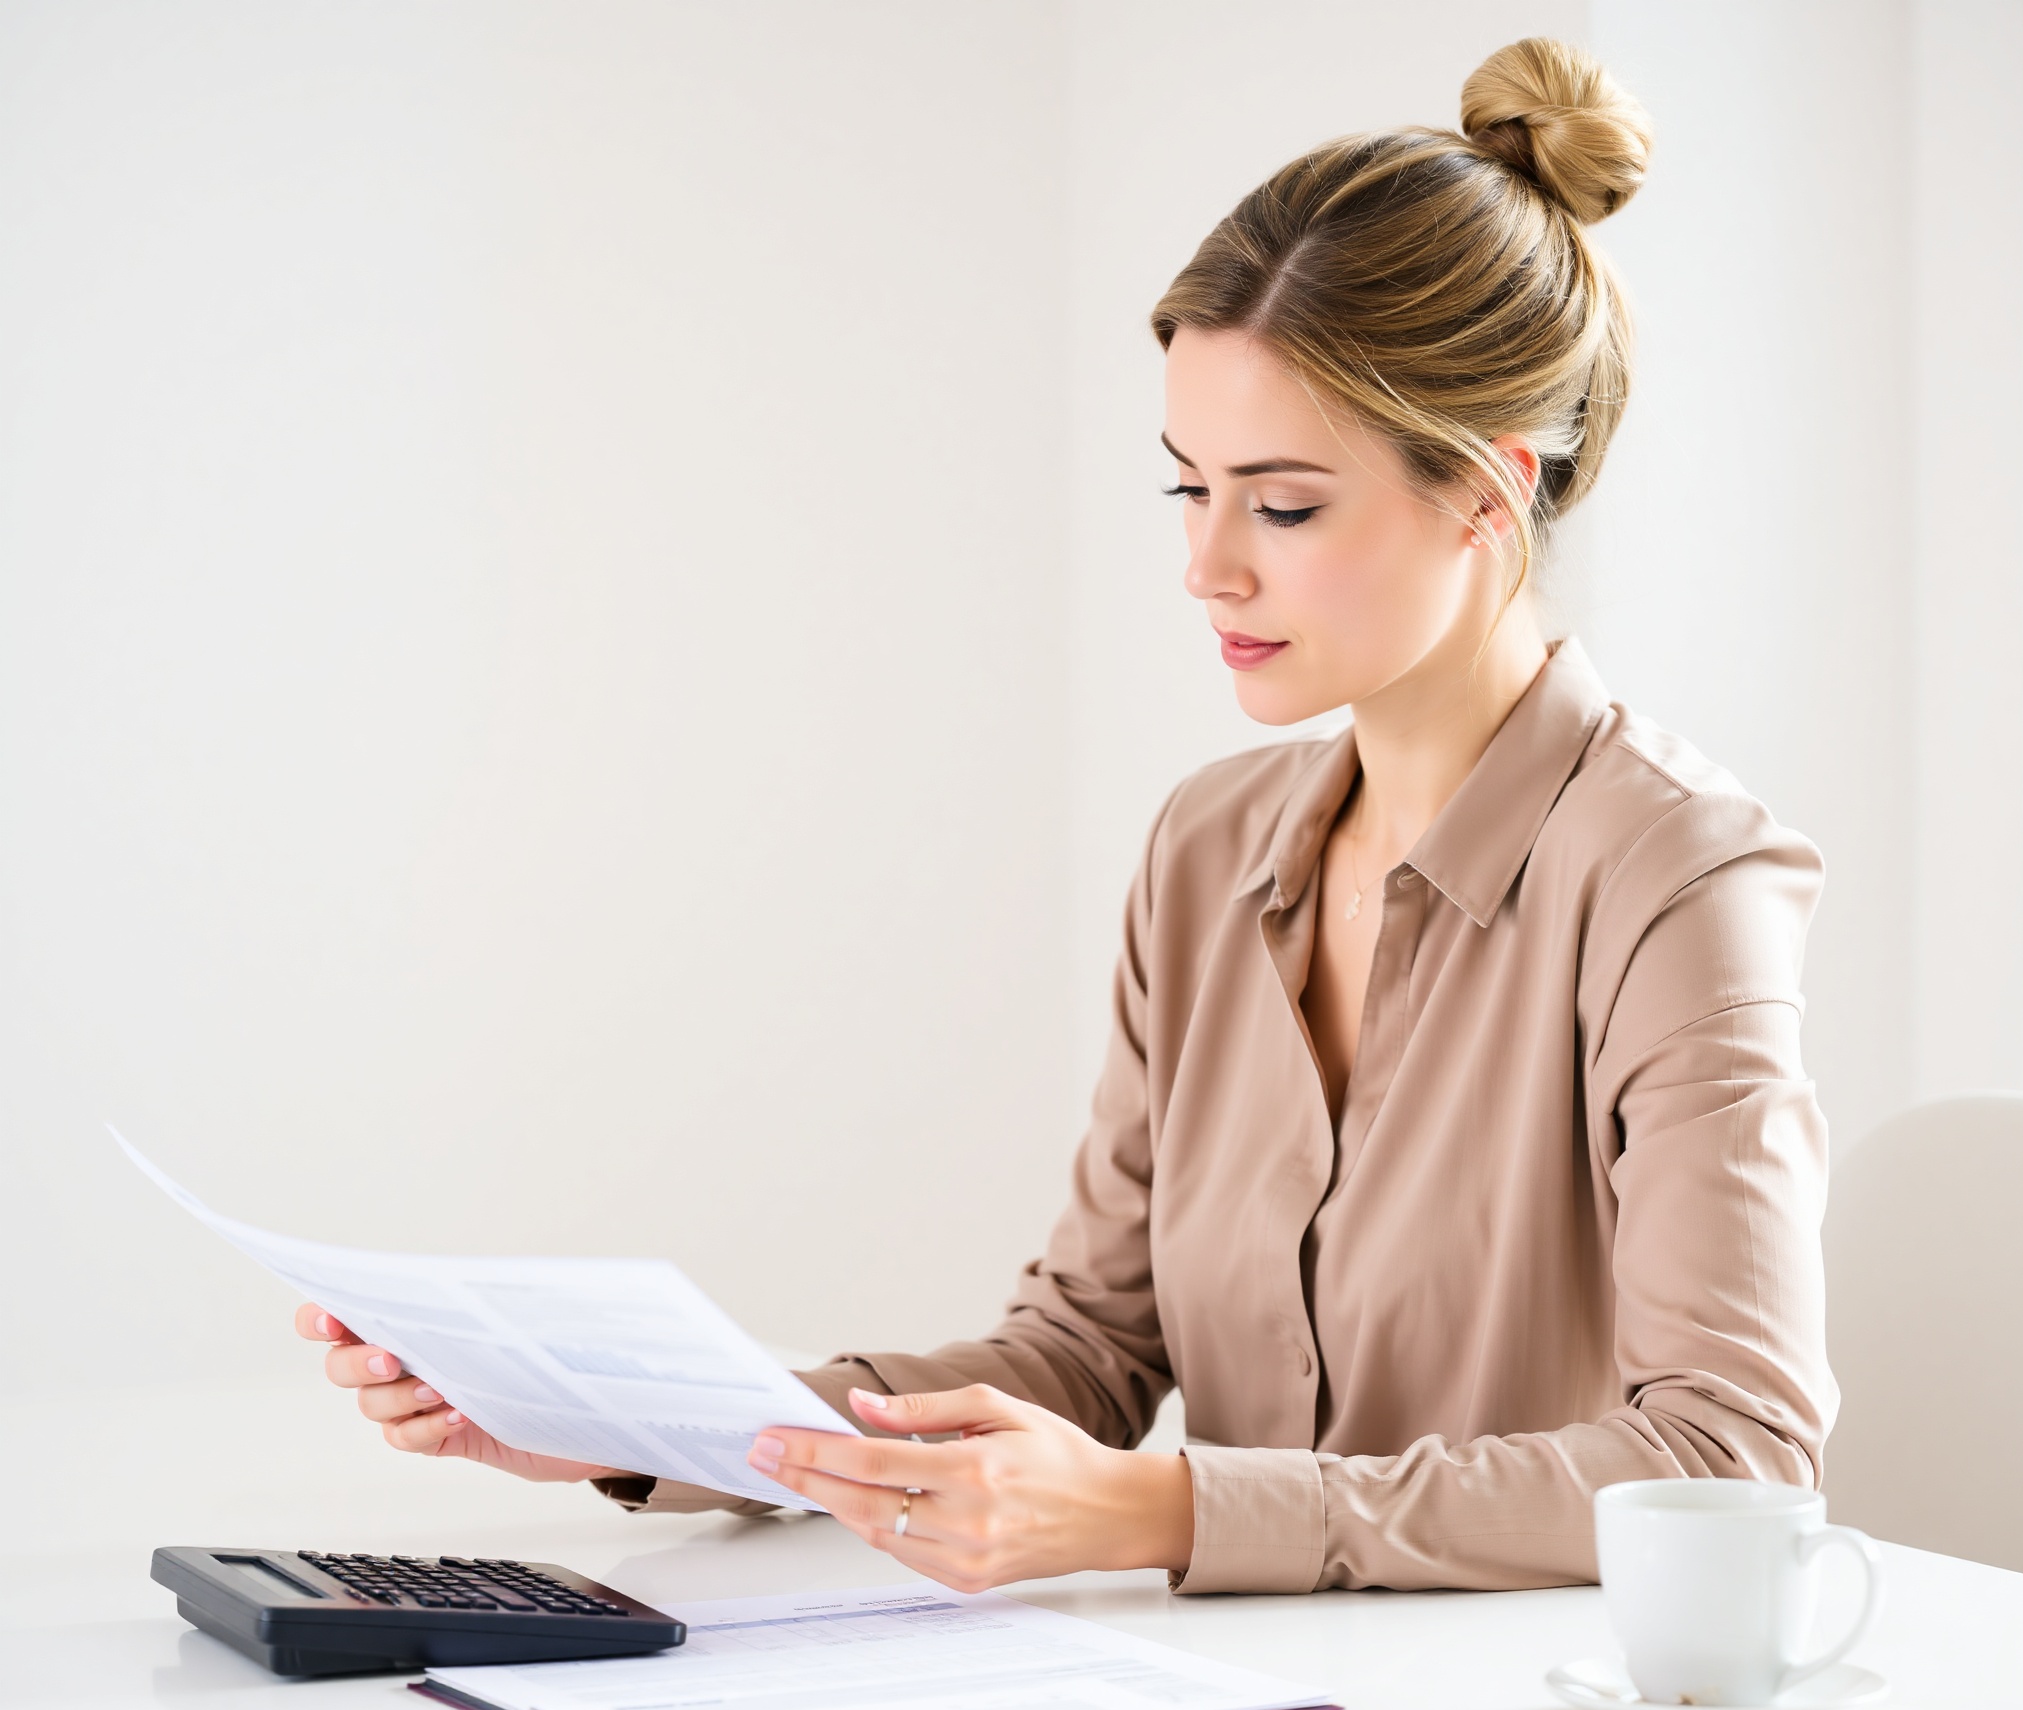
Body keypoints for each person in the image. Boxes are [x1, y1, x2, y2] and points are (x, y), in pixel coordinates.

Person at [304, 37, 1833, 1599]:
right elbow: (1089, 1352)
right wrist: (641, 1425)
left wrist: (1172, 1514)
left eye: (1284, 504)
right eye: (1190, 488)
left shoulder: (1676, 875)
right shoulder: (1211, 852)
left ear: (1488, 495)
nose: (1210, 567)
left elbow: (1731, 1456)